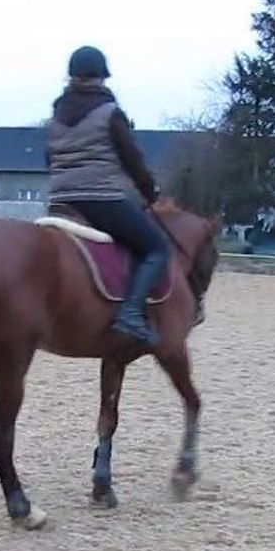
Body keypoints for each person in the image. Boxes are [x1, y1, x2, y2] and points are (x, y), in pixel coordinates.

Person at [45, 45, 172, 347]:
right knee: (156, 248)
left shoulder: (56, 115)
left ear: (72, 77)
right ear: (101, 77)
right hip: (99, 199)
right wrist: (150, 193)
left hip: (60, 201)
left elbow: (48, 157)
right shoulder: (109, 113)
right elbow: (132, 158)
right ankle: (129, 314)